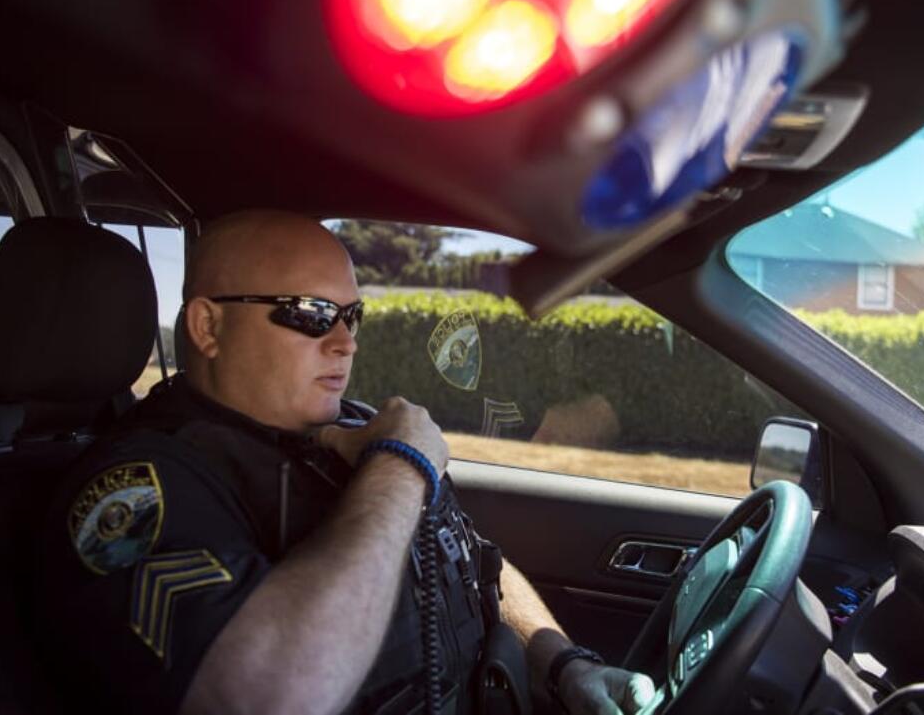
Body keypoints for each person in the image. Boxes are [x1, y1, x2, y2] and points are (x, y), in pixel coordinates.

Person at [37, 210, 655, 715]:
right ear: (207, 326)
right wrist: (401, 464)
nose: (346, 341)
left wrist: (567, 667)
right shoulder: (138, 488)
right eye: (309, 313)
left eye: (351, 315)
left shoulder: (358, 426)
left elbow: (472, 563)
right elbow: (266, 698)